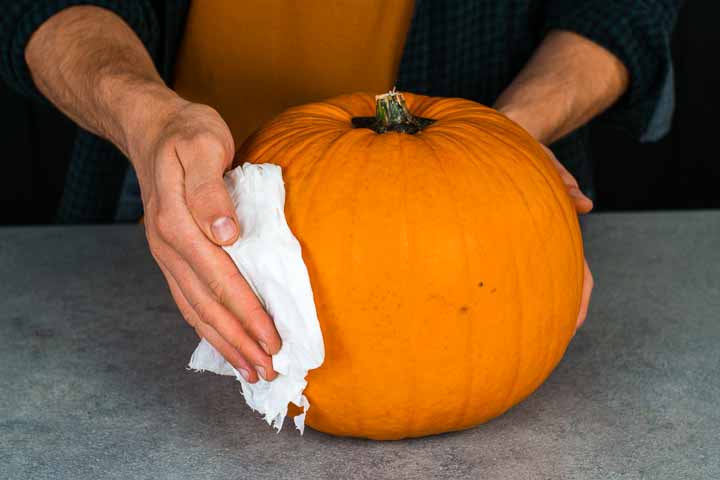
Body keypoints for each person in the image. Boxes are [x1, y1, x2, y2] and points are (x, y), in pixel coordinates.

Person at [0, 1, 681, 384]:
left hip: (469, 170)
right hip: (168, 181)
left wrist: (495, 148)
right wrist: (145, 115)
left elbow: (620, 9)